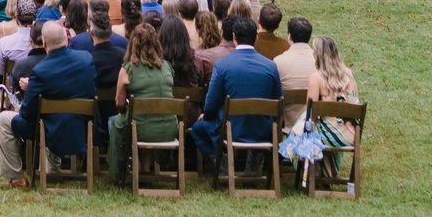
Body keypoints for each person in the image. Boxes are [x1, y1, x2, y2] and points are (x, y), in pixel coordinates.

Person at [0, 21, 94, 186]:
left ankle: (15, 176)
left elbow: (28, 113)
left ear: (45, 44)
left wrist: (20, 107)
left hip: (50, 130)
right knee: (51, 116)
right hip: (81, 126)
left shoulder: (41, 72)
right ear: (66, 38)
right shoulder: (86, 59)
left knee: (3, 120)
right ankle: (52, 169)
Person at [193, 14, 282, 172]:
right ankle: (251, 161)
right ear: (255, 38)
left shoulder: (222, 66)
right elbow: (278, 100)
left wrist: (207, 115)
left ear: (234, 37)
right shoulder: (270, 66)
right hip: (262, 129)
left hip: (232, 129)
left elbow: (211, 104)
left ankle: (221, 163)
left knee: (198, 129)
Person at [107, 20, 177, 184]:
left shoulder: (128, 68)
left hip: (141, 128)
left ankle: (120, 170)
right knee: (142, 120)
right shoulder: (166, 67)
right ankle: (144, 170)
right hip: (169, 128)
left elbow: (119, 104)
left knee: (115, 122)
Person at [306, 34, 360, 143]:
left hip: (329, 134)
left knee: (301, 127)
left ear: (318, 55)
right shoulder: (348, 73)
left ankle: (300, 158)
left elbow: (310, 112)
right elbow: (355, 100)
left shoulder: (316, 78)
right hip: (351, 134)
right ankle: (327, 160)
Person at [272, 14, 318, 128]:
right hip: (313, 123)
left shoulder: (278, 61)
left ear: (289, 36)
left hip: (286, 123)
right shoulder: (320, 61)